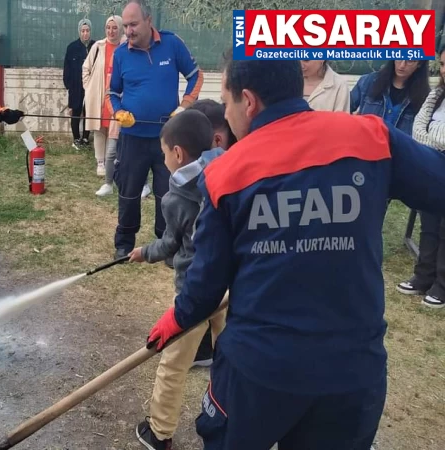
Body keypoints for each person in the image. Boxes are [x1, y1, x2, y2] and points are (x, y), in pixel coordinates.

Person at [146, 50, 445, 450]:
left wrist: (177, 317)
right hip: (351, 374)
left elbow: (204, 288)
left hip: (258, 375)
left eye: (227, 100)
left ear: (248, 101)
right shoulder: (372, 137)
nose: (226, 112)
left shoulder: (225, 174)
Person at [128, 100, 235, 450]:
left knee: (173, 364)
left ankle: (159, 433)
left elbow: (171, 245)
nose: (163, 161)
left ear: (176, 153)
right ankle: (233, 418)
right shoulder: (229, 168)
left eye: (163, 154)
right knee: (231, 356)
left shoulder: (176, 197)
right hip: (230, 288)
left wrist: (145, 252)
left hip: (196, 292)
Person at [109, 0, 204, 259]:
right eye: (125, 25)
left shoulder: (172, 44)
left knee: (168, 194)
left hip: (168, 139)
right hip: (132, 138)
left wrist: (184, 107)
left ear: (149, 20)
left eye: (133, 24)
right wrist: (117, 112)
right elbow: (112, 93)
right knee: (129, 193)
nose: (127, 31)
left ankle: (168, 245)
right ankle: (124, 242)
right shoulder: (120, 54)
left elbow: (196, 76)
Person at [397, 47, 445, 309]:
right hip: (432, 162)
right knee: (428, 224)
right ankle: (423, 276)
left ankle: (442, 285)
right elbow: (420, 128)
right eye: (443, 64)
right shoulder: (436, 95)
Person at [83, 16, 151, 197]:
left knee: (134, 148)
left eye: (115, 27)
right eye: (108, 27)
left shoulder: (129, 48)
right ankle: (108, 183)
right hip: (109, 101)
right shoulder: (99, 46)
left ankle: (144, 184)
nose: (111, 31)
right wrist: (89, 87)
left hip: (128, 105)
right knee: (109, 146)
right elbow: (86, 69)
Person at [351, 59, 430, 135]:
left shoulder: (425, 98)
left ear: (420, 63)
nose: (402, 65)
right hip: (366, 144)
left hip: (398, 148)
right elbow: (345, 109)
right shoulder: (368, 82)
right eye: (399, 58)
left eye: (409, 61)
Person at [63, 18, 95, 149]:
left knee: (89, 112)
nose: (85, 34)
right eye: (82, 31)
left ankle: (86, 138)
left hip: (91, 87)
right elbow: (67, 68)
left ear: (90, 31)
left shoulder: (96, 46)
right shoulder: (72, 47)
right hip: (76, 86)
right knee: (75, 111)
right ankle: (76, 139)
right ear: (79, 32)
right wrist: (68, 85)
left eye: (87, 31)